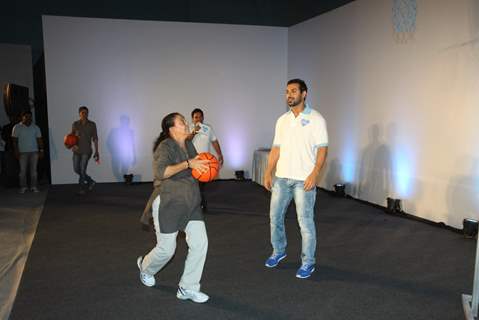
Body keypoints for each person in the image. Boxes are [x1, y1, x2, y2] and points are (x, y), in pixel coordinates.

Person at [138, 112, 211, 303]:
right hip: (169, 202)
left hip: (191, 202)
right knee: (166, 250)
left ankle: (187, 287)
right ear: (172, 128)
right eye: (182, 122)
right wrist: (188, 163)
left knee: (200, 243)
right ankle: (145, 266)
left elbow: (197, 168)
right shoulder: (165, 147)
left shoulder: (188, 144)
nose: (186, 123)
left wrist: (207, 167)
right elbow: (161, 172)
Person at [263, 79, 328, 279]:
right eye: (286, 92)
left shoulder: (317, 119)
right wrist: (268, 171)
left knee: (305, 223)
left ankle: (308, 262)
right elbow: (276, 149)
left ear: (304, 93)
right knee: (275, 218)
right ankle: (279, 251)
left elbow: (322, 149)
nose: (289, 95)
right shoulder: (282, 120)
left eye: (293, 91)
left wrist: (315, 173)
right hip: (282, 178)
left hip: (304, 181)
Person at [190, 108, 224, 208]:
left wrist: (220, 154)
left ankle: (200, 203)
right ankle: (199, 203)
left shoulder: (208, 128)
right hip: (193, 160)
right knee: (194, 184)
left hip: (205, 161)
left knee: (201, 184)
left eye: (200, 117)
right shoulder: (189, 128)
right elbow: (186, 141)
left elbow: (214, 141)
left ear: (203, 117)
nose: (198, 119)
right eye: (196, 117)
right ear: (192, 119)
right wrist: (194, 132)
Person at [68, 106, 99, 194]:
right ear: (79, 114)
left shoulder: (92, 124)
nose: (85, 114)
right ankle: (90, 181)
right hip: (77, 151)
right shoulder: (75, 124)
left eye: (86, 112)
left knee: (82, 169)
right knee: (76, 169)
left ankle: (81, 188)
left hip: (87, 150)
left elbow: (95, 138)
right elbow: (72, 137)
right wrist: (72, 145)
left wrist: (97, 151)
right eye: (82, 113)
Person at [11, 111, 44, 193]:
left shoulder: (35, 127)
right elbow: (14, 141)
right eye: (27, 117)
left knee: (34, 171)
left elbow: (39, 140)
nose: (29, 118)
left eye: (30, 116)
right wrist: (16, 151)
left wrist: (42, 150)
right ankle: (23, 187)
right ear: (22, 117)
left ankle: (34, 186)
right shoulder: (17, 127)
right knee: (22, 172)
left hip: (34, 152)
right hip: (22, 153)